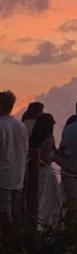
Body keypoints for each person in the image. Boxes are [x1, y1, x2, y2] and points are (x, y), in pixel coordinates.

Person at [0, 91, 28, 242]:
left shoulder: (1, 126)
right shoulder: (21, 126)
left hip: (2, 176)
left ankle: (8, 244)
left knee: (4, 213)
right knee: (15, 212)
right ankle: (18, 243)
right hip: (18, 175)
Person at [29, 113, 61, 231]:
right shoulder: (48, 139)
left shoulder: (34, 139)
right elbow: (46, 157)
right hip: (45, 171)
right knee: (48, 200)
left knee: (42, 199)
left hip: (39, 171)